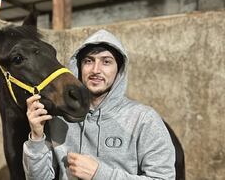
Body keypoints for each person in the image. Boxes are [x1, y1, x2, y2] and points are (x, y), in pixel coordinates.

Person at [23, 29, 176, 179]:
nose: (96, 70)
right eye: (88, 61)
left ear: (119, 70)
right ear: (78, 67)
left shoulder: (144, 119)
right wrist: (36, 137)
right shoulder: (61, 119)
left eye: (106, 62)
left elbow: (164, 178)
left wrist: (100, 174)